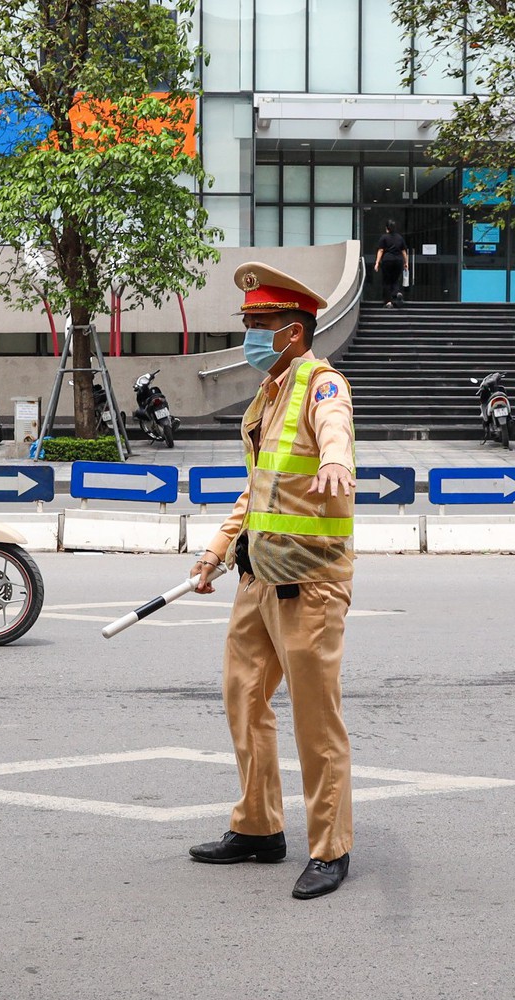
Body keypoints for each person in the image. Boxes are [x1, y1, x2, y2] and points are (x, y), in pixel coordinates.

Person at [185, 263, 357, 901]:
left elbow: (335, 430)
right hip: (258, 575)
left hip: (308, 580)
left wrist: (337, 458)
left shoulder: (321, 385)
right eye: (248, 325)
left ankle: (330, 847)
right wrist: (217, 548)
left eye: (258, 326)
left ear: (292, 332)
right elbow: (259, 486)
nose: (250, 336)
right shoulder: (272, 390)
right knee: (244, 698)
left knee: (317, 719)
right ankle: (258, 826)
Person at [373, 219, 407, 307]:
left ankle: (388, 302)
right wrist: (406, 262)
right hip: (398, 261)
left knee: (387, 281)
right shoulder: (400, 238)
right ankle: (397, 293)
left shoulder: (384, 237)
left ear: (386, 228)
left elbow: (381, 250)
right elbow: (403, 251)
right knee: (395, 280)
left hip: (387, 260)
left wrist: (377, 262)